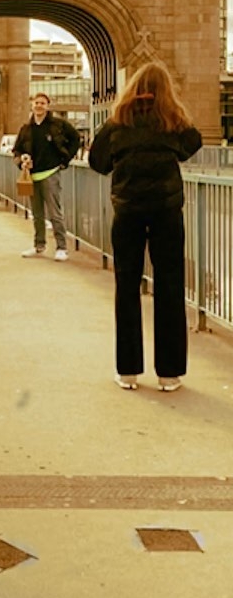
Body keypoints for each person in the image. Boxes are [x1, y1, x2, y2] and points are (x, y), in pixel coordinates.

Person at [88, 61, 202, 393]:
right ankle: (169, 374)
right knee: (170, 286)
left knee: (127, 286)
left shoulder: (117, 121)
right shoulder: (173, 120)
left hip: (127, 210)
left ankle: (128, 371)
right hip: (166, 211)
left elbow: (97, 162)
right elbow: (192, 144)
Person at [13, 92, 81, 261]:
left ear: (47, 106)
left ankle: (62, 247)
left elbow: (75, 138)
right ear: (32, 105)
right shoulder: (26, 129)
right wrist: (22, 159)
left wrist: (65, 159)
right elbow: (17, 149)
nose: (39, 106)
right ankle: (39, 245)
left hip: (51, 172)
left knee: (55, 212)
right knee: (36, 213)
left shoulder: (58, 125)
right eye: (36, 103)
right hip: (32, 175)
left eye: (42, 103)